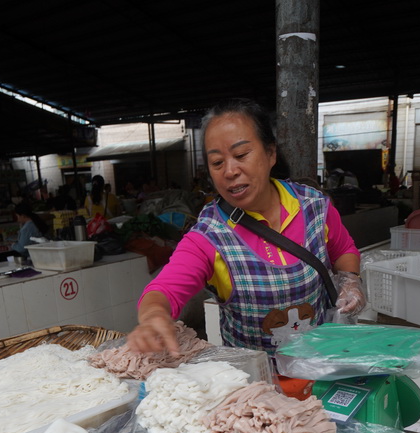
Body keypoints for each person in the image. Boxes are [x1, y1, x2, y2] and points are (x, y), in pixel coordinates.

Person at [127, 98, 365, 357]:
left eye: (241, 155)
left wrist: (350, 281)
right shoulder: (209, 237)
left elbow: (343, 250)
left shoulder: (314, 206)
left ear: (270, 153)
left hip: (317, 364)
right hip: (254, 380)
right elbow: (165, 289)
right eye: (217, 162)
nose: (230, 171)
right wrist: (153, 316)